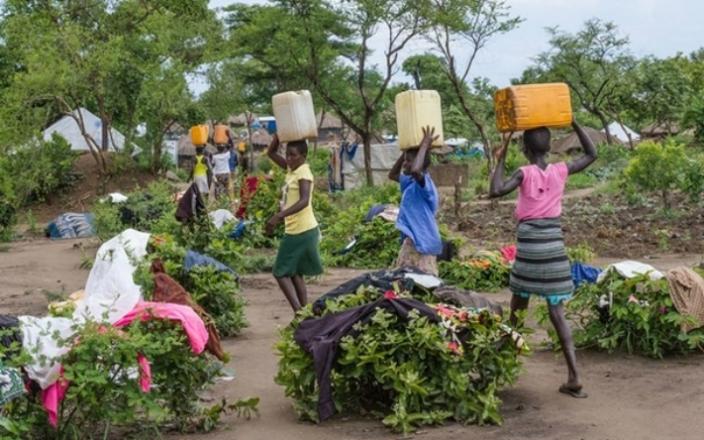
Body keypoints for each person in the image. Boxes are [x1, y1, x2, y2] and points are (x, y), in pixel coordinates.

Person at [489, 120, 597, 399]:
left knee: (517, 306)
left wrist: (499, 158)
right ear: (550, 147)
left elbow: (496, 189)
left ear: (524, 149)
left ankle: (499, 366)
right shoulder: (561, 170)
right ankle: (574, 376)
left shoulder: (524, 173)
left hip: (529, 246)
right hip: (553, 245)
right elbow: (591, 154)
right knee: (556, 311)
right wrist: (573, 123)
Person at [265, 134, 323, 312]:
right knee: (296, 273)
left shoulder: (304, 172)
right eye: (288, 154)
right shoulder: (292, 170)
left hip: (301, 230)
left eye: (293, 155)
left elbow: (304, 200)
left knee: (280, 272)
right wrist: (278, 134)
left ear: (303, 156)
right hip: (298, 229)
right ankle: (305, 313)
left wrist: (279, 216)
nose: (289, 159)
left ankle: (299, 313)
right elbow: (271, 153)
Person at [388, 126, 442, 276]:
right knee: (406, 279)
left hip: (423, 241)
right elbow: (392, 175)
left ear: (421, 163)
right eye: (405, 162)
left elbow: (416, 170)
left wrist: (424, 145)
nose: (405, 165)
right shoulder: (410, 183)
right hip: (412, 240)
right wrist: (405, 151)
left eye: (409, 161)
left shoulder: (426, 185)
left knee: (422, 281)